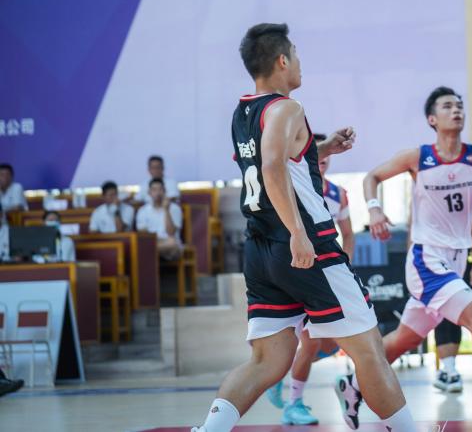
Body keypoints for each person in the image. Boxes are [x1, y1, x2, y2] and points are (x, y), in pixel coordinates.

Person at [190, 23, 415, 432]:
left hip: (260, 249)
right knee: (369, 351)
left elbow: (270, 161)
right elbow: (272, 166)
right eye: (295, 53)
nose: (299, 62)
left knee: (267, 360)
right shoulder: (287, 108)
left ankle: (209, 430)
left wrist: (320, 148)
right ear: (282, 60)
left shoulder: (243, 112)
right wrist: (298, 232)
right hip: (305, 244)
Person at [349, 86, 472, 425]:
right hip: (426, 258)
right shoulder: (418, 157)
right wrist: (374, 209)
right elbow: (373, 177)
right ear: (432, 119)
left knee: (405, 339)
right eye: (447, 106)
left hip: (456, 259)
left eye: (459, 105)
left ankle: (353, 384)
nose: (456, 110)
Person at [264, 133, 356, 425]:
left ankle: (280, 374)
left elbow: (348, 234)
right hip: (297, 271)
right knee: (311, 342)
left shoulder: (338, 194)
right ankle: (294, 404)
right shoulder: (289, 186)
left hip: (329, 272)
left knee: (329, 345)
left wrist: (345, 266)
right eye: (316, 153)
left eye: (326, 155)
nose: (322, 160)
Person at [432, 214, 472, 394]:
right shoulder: (428, 201)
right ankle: (450, 370)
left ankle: (449, 370)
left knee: (457, 315)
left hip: (460, 264)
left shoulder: (468, 201)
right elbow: (413, 231)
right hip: (435, 264)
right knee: (439, 316)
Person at [135, 179, 183, 260]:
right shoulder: (142, 211)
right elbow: (142, 232)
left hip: (170, 245)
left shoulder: (175, 208)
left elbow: (171, 232)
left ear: (165, 191)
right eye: (154, 190)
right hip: (153, 241)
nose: (158, 193)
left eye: (160, 189)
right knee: (142, 244)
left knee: (172, 243)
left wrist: (166, 210)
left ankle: (147, 250)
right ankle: (150, 250)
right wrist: (156, 240)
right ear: (149, 193)